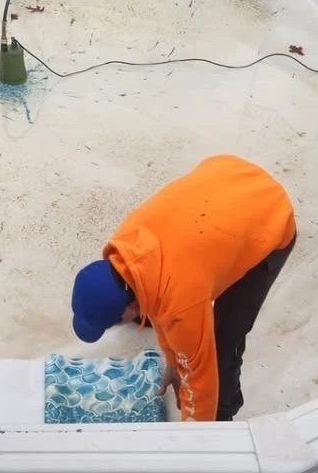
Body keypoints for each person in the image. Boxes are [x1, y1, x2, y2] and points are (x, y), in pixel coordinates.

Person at [70, 154, 296, 422]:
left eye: (116, 321)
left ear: (129, 308)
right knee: (170, 312)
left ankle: (225, 417)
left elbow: (200, 383)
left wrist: (194, 443)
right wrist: (174, 363)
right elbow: (155, 299)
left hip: (269, 214)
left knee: (223, 342)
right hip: (227, 174)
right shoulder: (127, 242)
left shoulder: (180, 303)